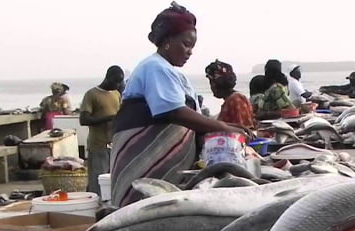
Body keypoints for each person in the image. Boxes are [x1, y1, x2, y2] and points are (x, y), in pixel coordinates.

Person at [110, 1, 246, 207]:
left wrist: (224, 127)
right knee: (142, 208)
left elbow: (188, 114)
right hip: (145, 159)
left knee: (157, 209)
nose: (190, 51)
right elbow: (175, 112)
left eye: (192, 46)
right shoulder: (155, 67)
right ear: (166, 41)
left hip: (162, 164)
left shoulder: (168, 71)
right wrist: (224, 127)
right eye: (185, 44)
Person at [80, 65, 124, 196]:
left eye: (120, 82)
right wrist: (109, 118)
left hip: (114, 144)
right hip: (98, 145)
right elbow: (84, 119)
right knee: (97, 181)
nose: (117, 85)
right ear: (108, 78)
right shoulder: (92, 94)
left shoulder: (116, 94)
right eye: (115, 81)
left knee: (111, 181)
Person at [205, 59, 256, 130]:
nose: (211, 86)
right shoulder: (232, 99)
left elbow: (243, 131)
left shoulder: (236, 100)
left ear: (217, 83)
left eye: (211, 82)